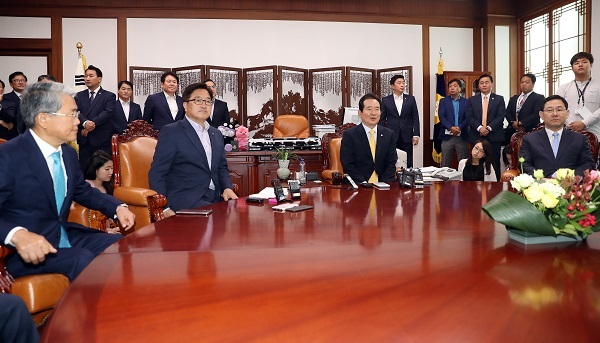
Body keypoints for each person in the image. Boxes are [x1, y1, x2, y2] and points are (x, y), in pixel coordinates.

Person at [0, 81, 135, 282]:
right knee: (81, 259)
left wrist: (118, 208)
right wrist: (17, 235)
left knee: (120, 245)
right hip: (24, 250)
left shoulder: (68, 153)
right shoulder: (8, 156)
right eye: (71, 114)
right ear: (43, 118)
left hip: (63, 234)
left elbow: (83, 191)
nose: (78, 121)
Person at [149, 82, 238, 214]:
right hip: (186, 197)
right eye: (198, 100)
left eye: (208, 101)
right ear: (185, 105)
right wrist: (164, 207)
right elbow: (157, 172)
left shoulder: (216, 133)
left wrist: (227, 188)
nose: (204, 105)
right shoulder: (172, 132)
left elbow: (221, 167)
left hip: (215, 196)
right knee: (219, 218)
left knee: (240, 214)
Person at [519, 95, 595, 178]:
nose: (555, 114)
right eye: (550, 110)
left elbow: (588, 163)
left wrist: (572, 177)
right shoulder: (530, 139)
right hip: (540, 186)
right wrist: (540, 178)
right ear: (541, 115)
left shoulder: (580, 139)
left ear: (567, 113)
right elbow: (524, 164)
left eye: (559, 110)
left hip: (570, 187)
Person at [340, 93, 397, 184]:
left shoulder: (389, 134)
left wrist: (385, 184)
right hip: (358, 185)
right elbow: (348, 165)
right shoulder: (349, 135)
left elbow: (391, 162)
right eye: (369, 109)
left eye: (377, 109)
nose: (373, 113)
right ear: (360, 113)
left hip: (384, 185)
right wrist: (363, 183)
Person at [74, 65, 116, 171]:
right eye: (86, 76)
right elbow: (76, 111)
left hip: (102, 140)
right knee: (84, 170)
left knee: (102, 171)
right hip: (84, 140)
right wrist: (85, 123)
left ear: (99, 79)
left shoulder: (109, 96)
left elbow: (108, 113)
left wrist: (90, 124)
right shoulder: (79, 95)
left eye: (91, 76)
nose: (87, 78)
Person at [465, 74, 506, 181]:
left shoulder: (499, 99)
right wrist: (480, 128)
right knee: (475, 162)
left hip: (494, 136)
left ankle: (496, 189)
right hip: (476, 135)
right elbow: (469, 117)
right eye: (481, 83)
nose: (484, 85)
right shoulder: (472, 100)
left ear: (491, 84)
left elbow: (500, 116)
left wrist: (488, 128)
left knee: (494, 163)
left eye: (486, 82)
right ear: (478, 85)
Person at [556, 52, 600, 140]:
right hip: (568, 131)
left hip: (594, 133)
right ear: (572, 68)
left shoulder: (598, 85)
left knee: (592, 153)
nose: (580, 65)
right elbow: (558, 108)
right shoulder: (563, 88)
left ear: (591, 65)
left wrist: (584, 123)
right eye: (576, 63)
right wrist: (570, 124)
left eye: (584, 62)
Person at [380, 75, 420, 168]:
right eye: (399, 83)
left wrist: (416, 134)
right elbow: (381, 119)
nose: (402, 85)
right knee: (391, 159)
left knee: (408, 160)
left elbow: (415, 117)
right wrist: (382, 135)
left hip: (407, 135)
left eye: (403, 82)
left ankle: (408, 178)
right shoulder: (385, 100)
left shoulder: (411, 99)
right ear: (392, 86)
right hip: (391, 135)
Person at [438, 78, 469, 167]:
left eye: (455, 86)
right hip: (447, 136)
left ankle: (463, 180)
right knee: (445, 162)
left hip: (461, 135)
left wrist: (459, 127)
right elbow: (442, 117)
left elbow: (468, 117)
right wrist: (451, 127)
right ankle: (444, 180)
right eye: (450, 86)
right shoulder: (443, 101)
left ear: (460, 89)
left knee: (463, 162)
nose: (452, 88)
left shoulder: (466, 102)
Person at [505, 73, 545, 140]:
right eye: (522, 82)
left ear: (533, 84)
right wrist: (513, 123)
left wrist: (521, 123)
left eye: (527, 82)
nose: (524, 84)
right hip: (513, 132)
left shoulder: (539, 98)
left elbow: (536, 114)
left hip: (530, 130)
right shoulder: (514, 98)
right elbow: (507, 113)